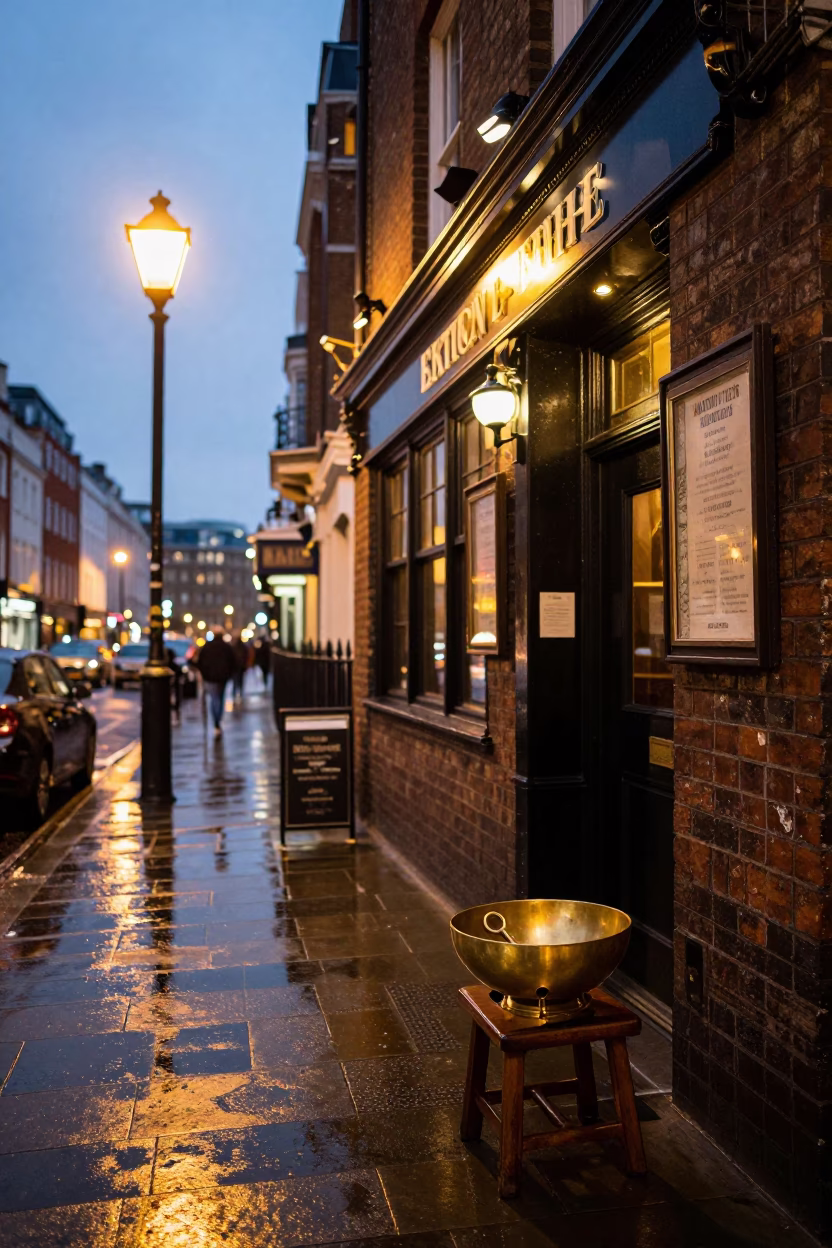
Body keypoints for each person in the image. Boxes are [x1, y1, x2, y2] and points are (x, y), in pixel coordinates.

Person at [196, 633, 236, 736]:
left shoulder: (207, 647)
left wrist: (205, 674)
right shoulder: (226, 647)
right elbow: (233, 661)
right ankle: (217, 720)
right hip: (222, 677)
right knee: (220, 698)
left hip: (210, 677)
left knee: (214, 699)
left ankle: (216, 722)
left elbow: (199, 662)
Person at [231, 635, 249, 702]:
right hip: (241, 667)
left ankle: (234, 694)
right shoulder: (243, 647)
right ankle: (240, 693)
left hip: (235, 667)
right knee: (240, 681)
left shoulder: (233, 647)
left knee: (235, 681)